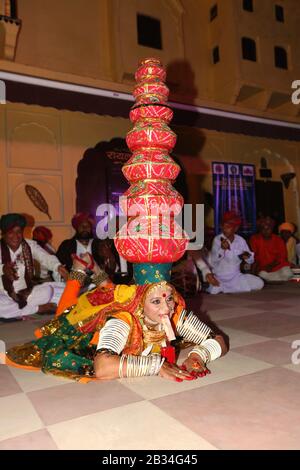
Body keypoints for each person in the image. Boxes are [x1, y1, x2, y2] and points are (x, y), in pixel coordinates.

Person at [6, 254, 228, 382]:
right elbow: (103, 367)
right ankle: (79, 270)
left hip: (130, 293)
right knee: (66, 319)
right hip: (93, 324)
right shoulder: (123, 320)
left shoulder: (174, 311)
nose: (166, 309)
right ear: (141, 302)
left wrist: (199, 355)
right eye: (157, 302)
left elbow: (218, 340)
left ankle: (93, 267)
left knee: (113, 290)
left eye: (169, 298)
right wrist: (154, 365)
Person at [0, 213, 68, 320]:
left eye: (19, 232)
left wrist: (58, 267)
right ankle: (38, 309)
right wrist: (3, 268)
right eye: (10, 232)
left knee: (51, 291)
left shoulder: (29, 245)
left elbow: (45, 257)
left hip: (27, 294)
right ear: (3, 234)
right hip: (3, 295)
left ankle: (21, 311)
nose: (16, 236)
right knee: (1, 306)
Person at [56, 212, 127, 282]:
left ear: (91, 228)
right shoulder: (67, 245)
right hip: (75, 283)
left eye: (88, 226)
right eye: (82, 226)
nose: (85, 228)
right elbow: (58, 267)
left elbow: (113, 268)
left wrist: (109, 256)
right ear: (77, 228)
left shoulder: (100, 244)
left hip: (98, 283)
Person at [208, 211, 264, 294]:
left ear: (235, 228)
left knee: (259, 283)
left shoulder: (241, 241)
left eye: (228, 227)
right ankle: (223, 287)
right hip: (220, 278)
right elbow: (213, 261)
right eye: (223, 226)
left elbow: (250, 260)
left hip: (235, 277)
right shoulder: (217, 239)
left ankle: (227, 288)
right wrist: (222, 249)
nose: (224, 229)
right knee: (213, 290)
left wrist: (247, 256)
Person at [250, 217, 293, 282]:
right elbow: (253, 257)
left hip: (277, 266)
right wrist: (254, 273)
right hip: (263, 268)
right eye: (263, 229)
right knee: (262, 274)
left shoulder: (279, 240)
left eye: (268, 229)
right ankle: (274, 279)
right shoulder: (255, 239)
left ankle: (271, 279)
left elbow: (282, 257)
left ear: (272, 229)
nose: (266, 231)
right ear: (260, 230)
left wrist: (271, 265)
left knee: (287, 273)